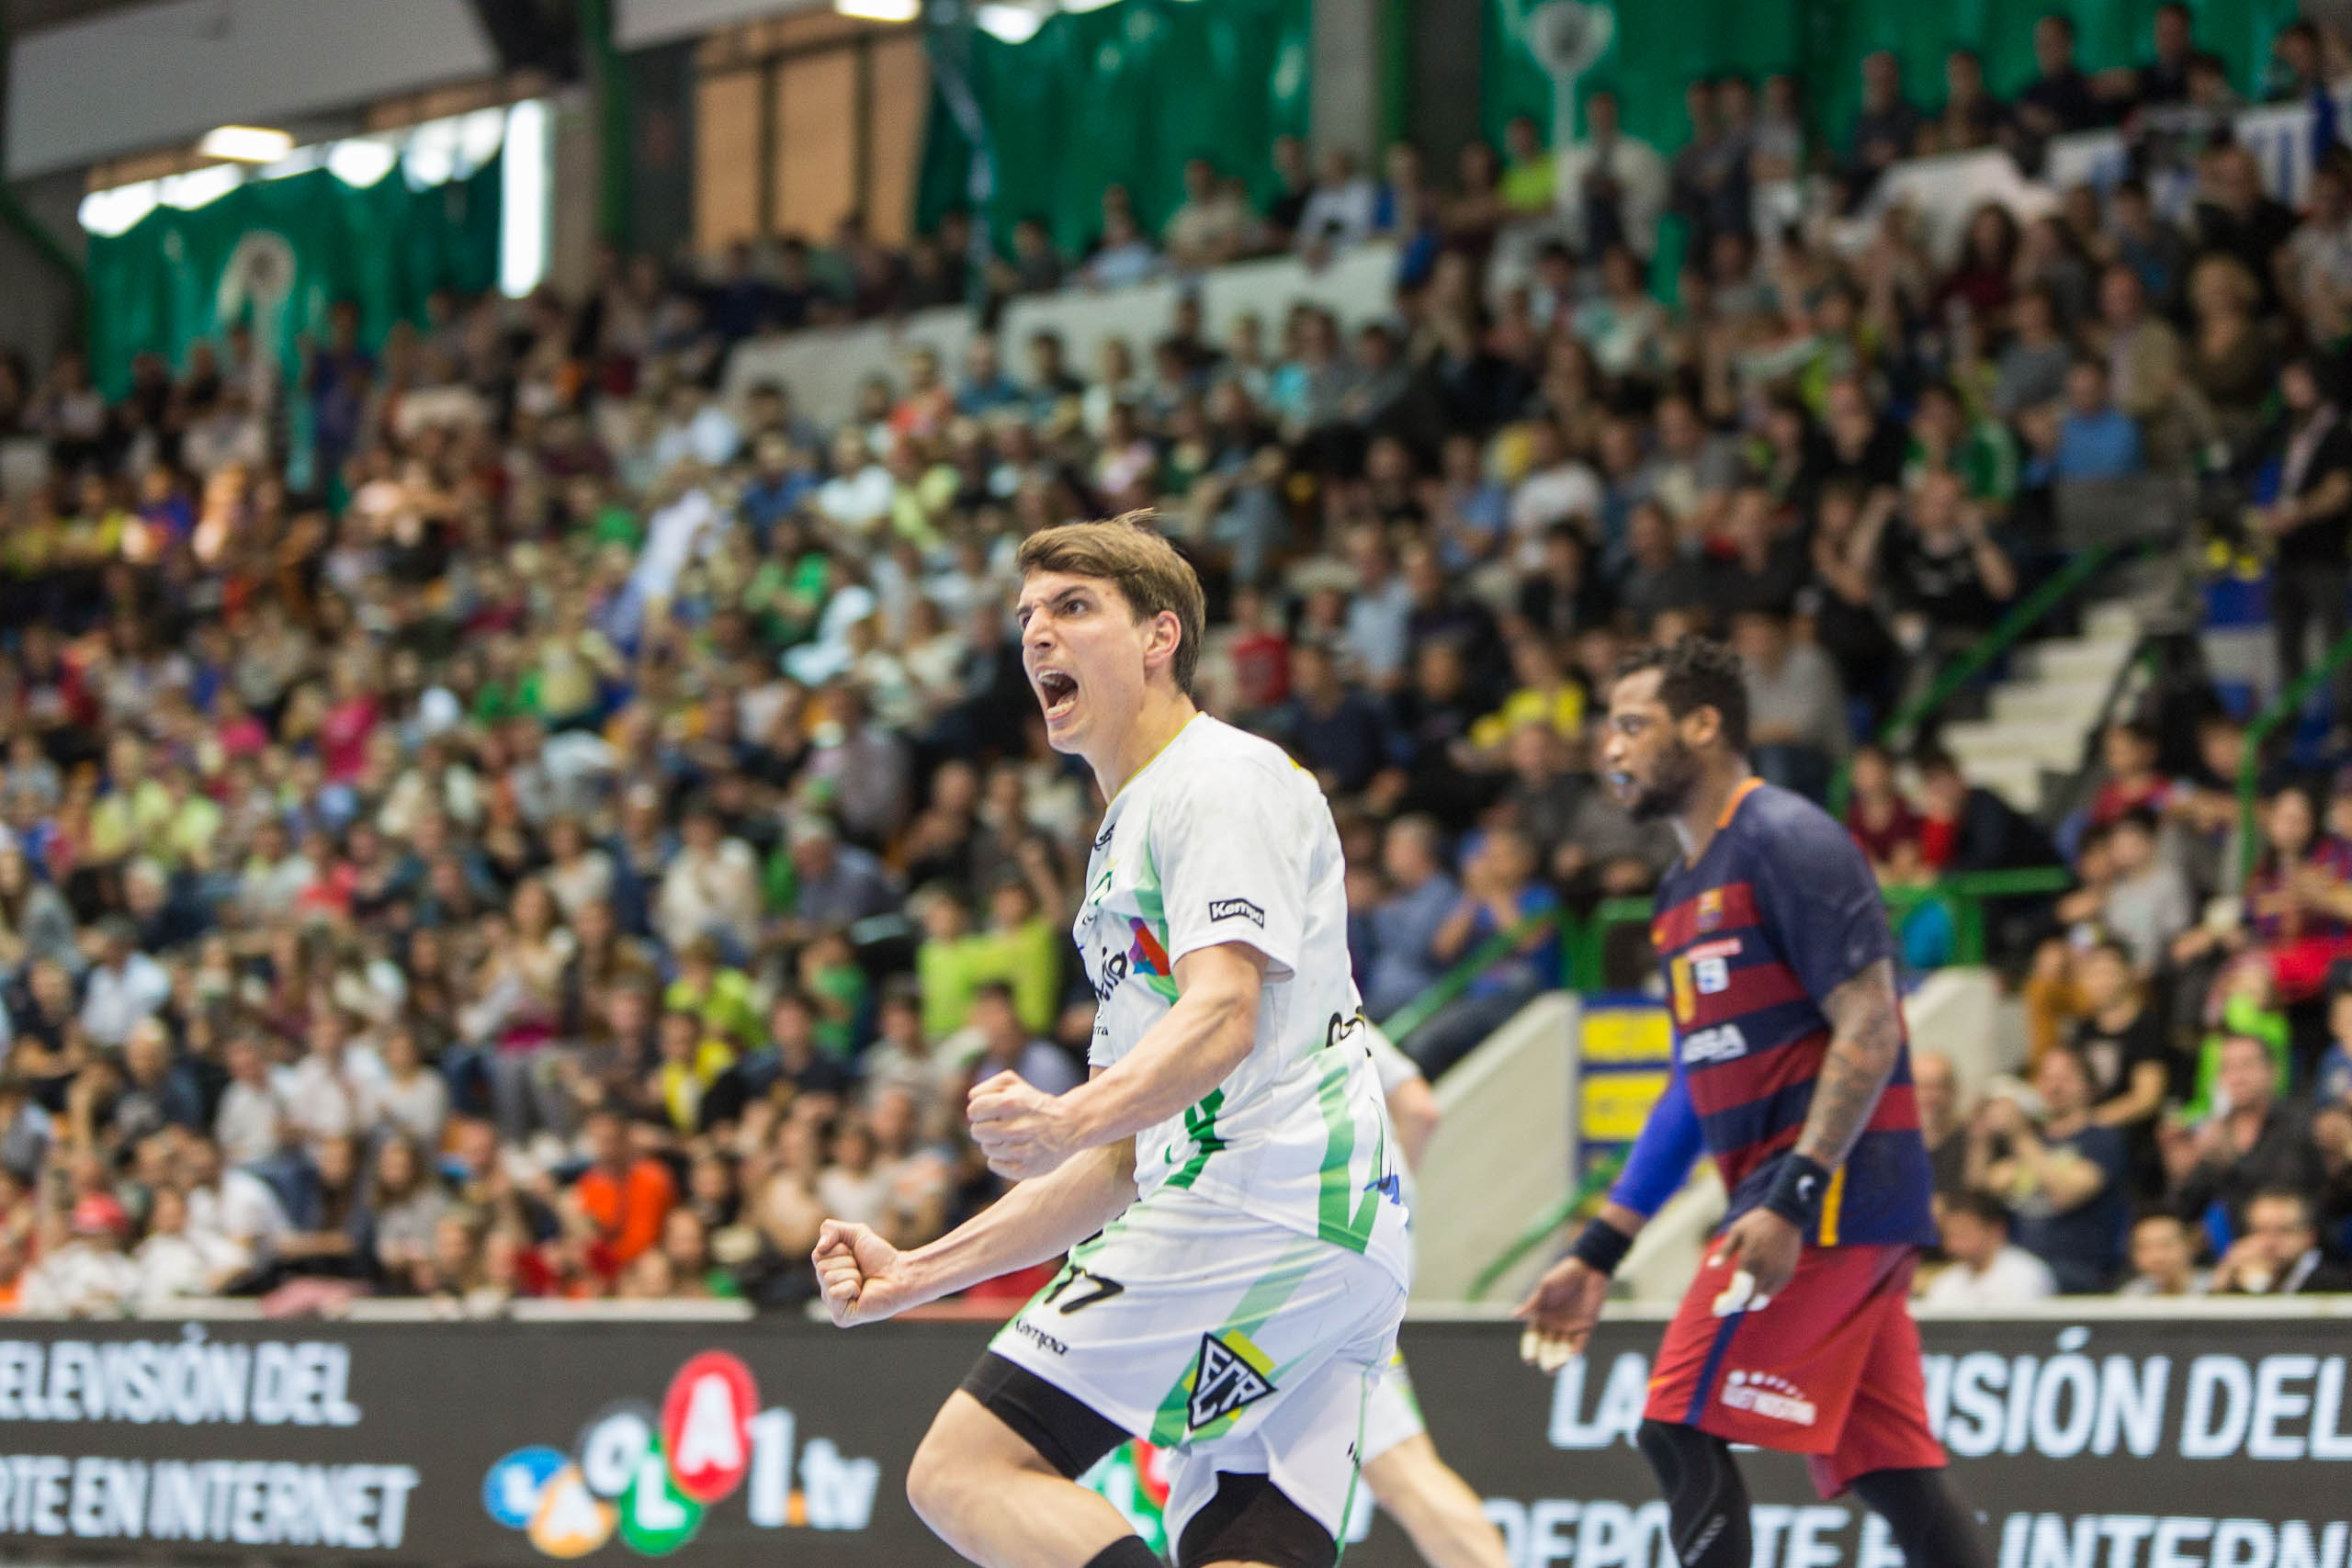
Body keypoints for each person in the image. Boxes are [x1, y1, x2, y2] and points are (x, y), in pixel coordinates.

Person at [812, 516, 1409, 1568]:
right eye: (1026, 617)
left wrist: (1065, 1116)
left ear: (1158, 639)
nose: (1037, 634)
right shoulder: (1122, 836)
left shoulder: (1216, 779)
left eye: (1074, 607)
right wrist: (913, 1272)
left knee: (963, 1471)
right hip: (1323, 1235)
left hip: (1260, 1201)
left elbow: (1222, 1013)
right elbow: (1120, 1162)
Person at [1514, 637, 1991, 1568]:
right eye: (1608, 729)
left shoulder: (1787, 839)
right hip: (1811, 1203)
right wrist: (1599, 1249)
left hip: (1826, 1198)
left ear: (1703, 726)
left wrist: (1791, 1197)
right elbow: (1694, 1081)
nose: (1611, 748)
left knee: (1677, 1425)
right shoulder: (1677, 892)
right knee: (1893, 1470)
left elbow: (1872, 1023)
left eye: (1633, 726)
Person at [1919, 1190, 2058, 1306]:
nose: (1954, 1243)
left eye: (1963, 1233)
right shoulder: (1945, 1283)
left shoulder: (2026, 1275)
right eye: (1949, 1234)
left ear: (1996, 1230)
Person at [2211, 1186, 2352, 1294]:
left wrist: (2259, 1288)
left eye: (2284, 1230)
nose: (2270, 1242)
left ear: (2309, 1237)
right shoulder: (2240, 1279)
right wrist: (2223, 1279)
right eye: (2260, 1231)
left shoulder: (2335, 1286)